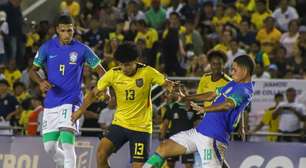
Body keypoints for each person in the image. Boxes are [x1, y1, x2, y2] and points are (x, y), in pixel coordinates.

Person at [71, 42, 176, 168]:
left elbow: (167, 83)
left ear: (136, 61)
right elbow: (93, 94)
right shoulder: (113, 74)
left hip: (141, 128)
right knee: (101, 154)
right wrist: (79, 111)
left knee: (137, 166)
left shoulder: (147, 72)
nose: (124, 68)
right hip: (120, 124)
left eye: (128, 65)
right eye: (121, 65)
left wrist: (172, 89)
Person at [143, 55, 255, 168]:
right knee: (164, 148)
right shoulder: (233, 84)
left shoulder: (245, 90)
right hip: (199, 132)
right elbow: (212, 95)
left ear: (245, 71)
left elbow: (228, 105)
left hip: (213, 138)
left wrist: (205, 109)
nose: (231, 72)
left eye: (234, 69)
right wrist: (187, 97)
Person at [29, 15, 105, 168]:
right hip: (51, 102)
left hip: (71, 101)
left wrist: (105, 88)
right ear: (57, 30)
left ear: (74, 29)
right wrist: (41, 82)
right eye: (63, 31)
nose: (67, 35)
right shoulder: (46, 47)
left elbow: (102, 71)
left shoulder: (82, 49)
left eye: (70, 31)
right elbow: (32, 71)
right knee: (49, 148)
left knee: (67, 144)